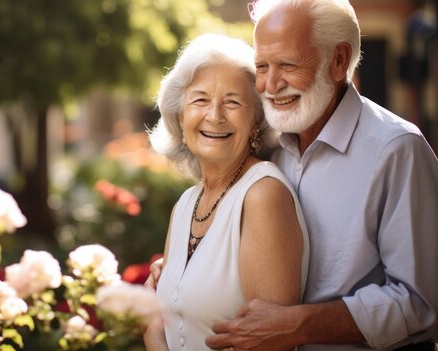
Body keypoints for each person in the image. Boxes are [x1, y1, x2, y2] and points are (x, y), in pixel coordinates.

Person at [172, 0, 436, 350]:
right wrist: (181, 273)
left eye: (287, 64)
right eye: (262, 66)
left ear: (339, 60)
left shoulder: (396, 149)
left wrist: (301, 325)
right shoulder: (264, 143)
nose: (270, 84)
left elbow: (421, 301)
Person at [142, 33, 310, 351]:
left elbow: (271, 347)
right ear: (180, 114)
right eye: (200, 99)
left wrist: (152, 337)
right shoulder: (185, 204)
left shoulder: (262, 196)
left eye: (232, 102)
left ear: (257, 120)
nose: (215, 115)